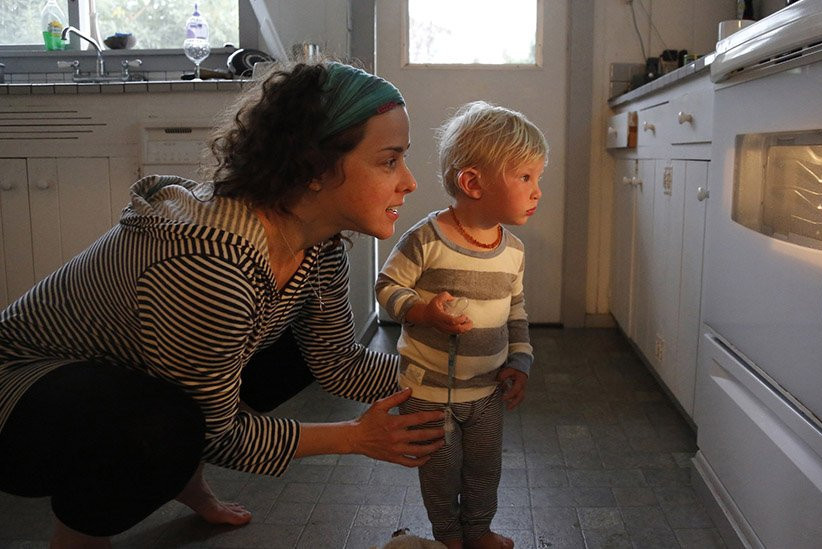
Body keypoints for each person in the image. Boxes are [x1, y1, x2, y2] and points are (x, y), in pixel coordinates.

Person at [0, 60, 447, 547]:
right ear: (315, 168)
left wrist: (455, 376)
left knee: (292, 355)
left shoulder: (317, 245)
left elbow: (337, 362)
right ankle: (79, 536)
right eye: (389, 160)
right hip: (21, 395)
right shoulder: (211, 264)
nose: (410, 181)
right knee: (163, 429)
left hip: (126, 375)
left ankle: (183, 482)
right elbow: (218, 432)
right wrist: (356, 437)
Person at [376, 101, 548, 549]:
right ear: (473, 182)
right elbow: (387, 287)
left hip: (486, 391)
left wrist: (520, 360)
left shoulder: (513, 251)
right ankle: (449, 537)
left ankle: (478, 531)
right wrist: (423, 312)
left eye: (538, 178)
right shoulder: (425, 240)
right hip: (428, 391)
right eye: (525, 177)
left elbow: (516, 311)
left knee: (484, 468)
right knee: (439, 469)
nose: (537, 191)